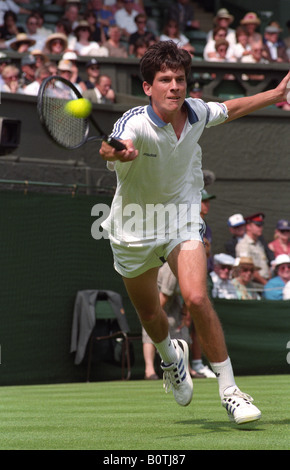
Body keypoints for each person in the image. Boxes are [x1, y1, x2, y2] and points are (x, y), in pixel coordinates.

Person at [99, 40, 290, 425]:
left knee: (197, 297)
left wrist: (277, 93)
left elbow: (231, 108)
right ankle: (172, 359)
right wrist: (119, 153)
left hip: (180, 220)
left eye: (180, 79)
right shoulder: (134, 123)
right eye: (165, 80)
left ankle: (231, 391)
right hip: (133, 228)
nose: (175, 87)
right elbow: (109, 147)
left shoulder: (197, 111)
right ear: (148, 87)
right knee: (152, 314)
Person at [142, 262, 205, 380]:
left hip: (173, 300)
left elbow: (189, 294)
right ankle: (149, 371)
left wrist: (185, 315)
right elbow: (164, 296)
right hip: (155, 297)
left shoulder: (193, 269)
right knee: (151, 329)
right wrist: (156, 316)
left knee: (182, 331)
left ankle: (187, 368)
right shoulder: (171, 269)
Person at [235, 213, 271, 285]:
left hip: (264, 283)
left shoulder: (259, 244)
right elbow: (247, 268)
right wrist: (266, 284)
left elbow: (265, 264)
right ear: (248, 227)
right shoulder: (244, 245)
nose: (260, 228)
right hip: (253, 284)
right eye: (258, 225)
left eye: (261, 225)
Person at [200, 188, 215, 272]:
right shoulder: (189, 226)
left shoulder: (207, 228)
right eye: (204, 201)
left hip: (207, 271)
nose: (207, 204)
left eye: (208, 201)